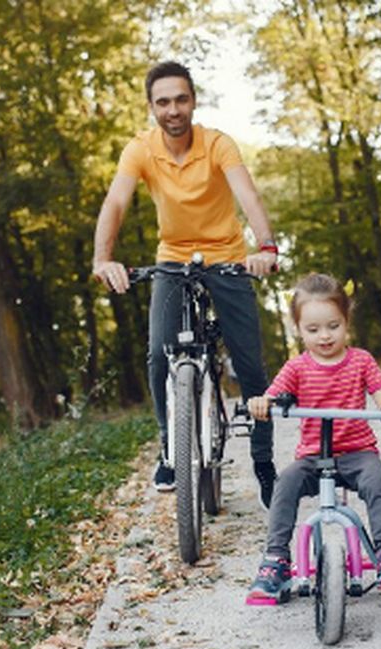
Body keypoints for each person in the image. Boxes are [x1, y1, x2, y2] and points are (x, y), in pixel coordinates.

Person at [92, 61, 278, 507]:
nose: (172, 109)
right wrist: (103, 258)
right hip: (173, 259)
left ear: (193, 101)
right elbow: (115, 202)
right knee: (160, 353)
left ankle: (264, 459)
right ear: (151, 107)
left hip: (226, 256)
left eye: (180, 99)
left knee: (250, 363)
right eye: (163, 102)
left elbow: (247, 195)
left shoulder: (217, 144)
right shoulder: (140, 149)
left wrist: (266, 247)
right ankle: (170, 446)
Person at [243, 274, 381, 604]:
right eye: (313, 329)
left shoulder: (361, 361)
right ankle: (275, 561)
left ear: (346, 321)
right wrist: (262, 403)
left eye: (333, 326)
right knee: (285, 483)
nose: (324, 336)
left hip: (357, 452)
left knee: (377, 479)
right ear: (298, 329)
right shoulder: (296, 368)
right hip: (312, 457)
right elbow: (272, 395)